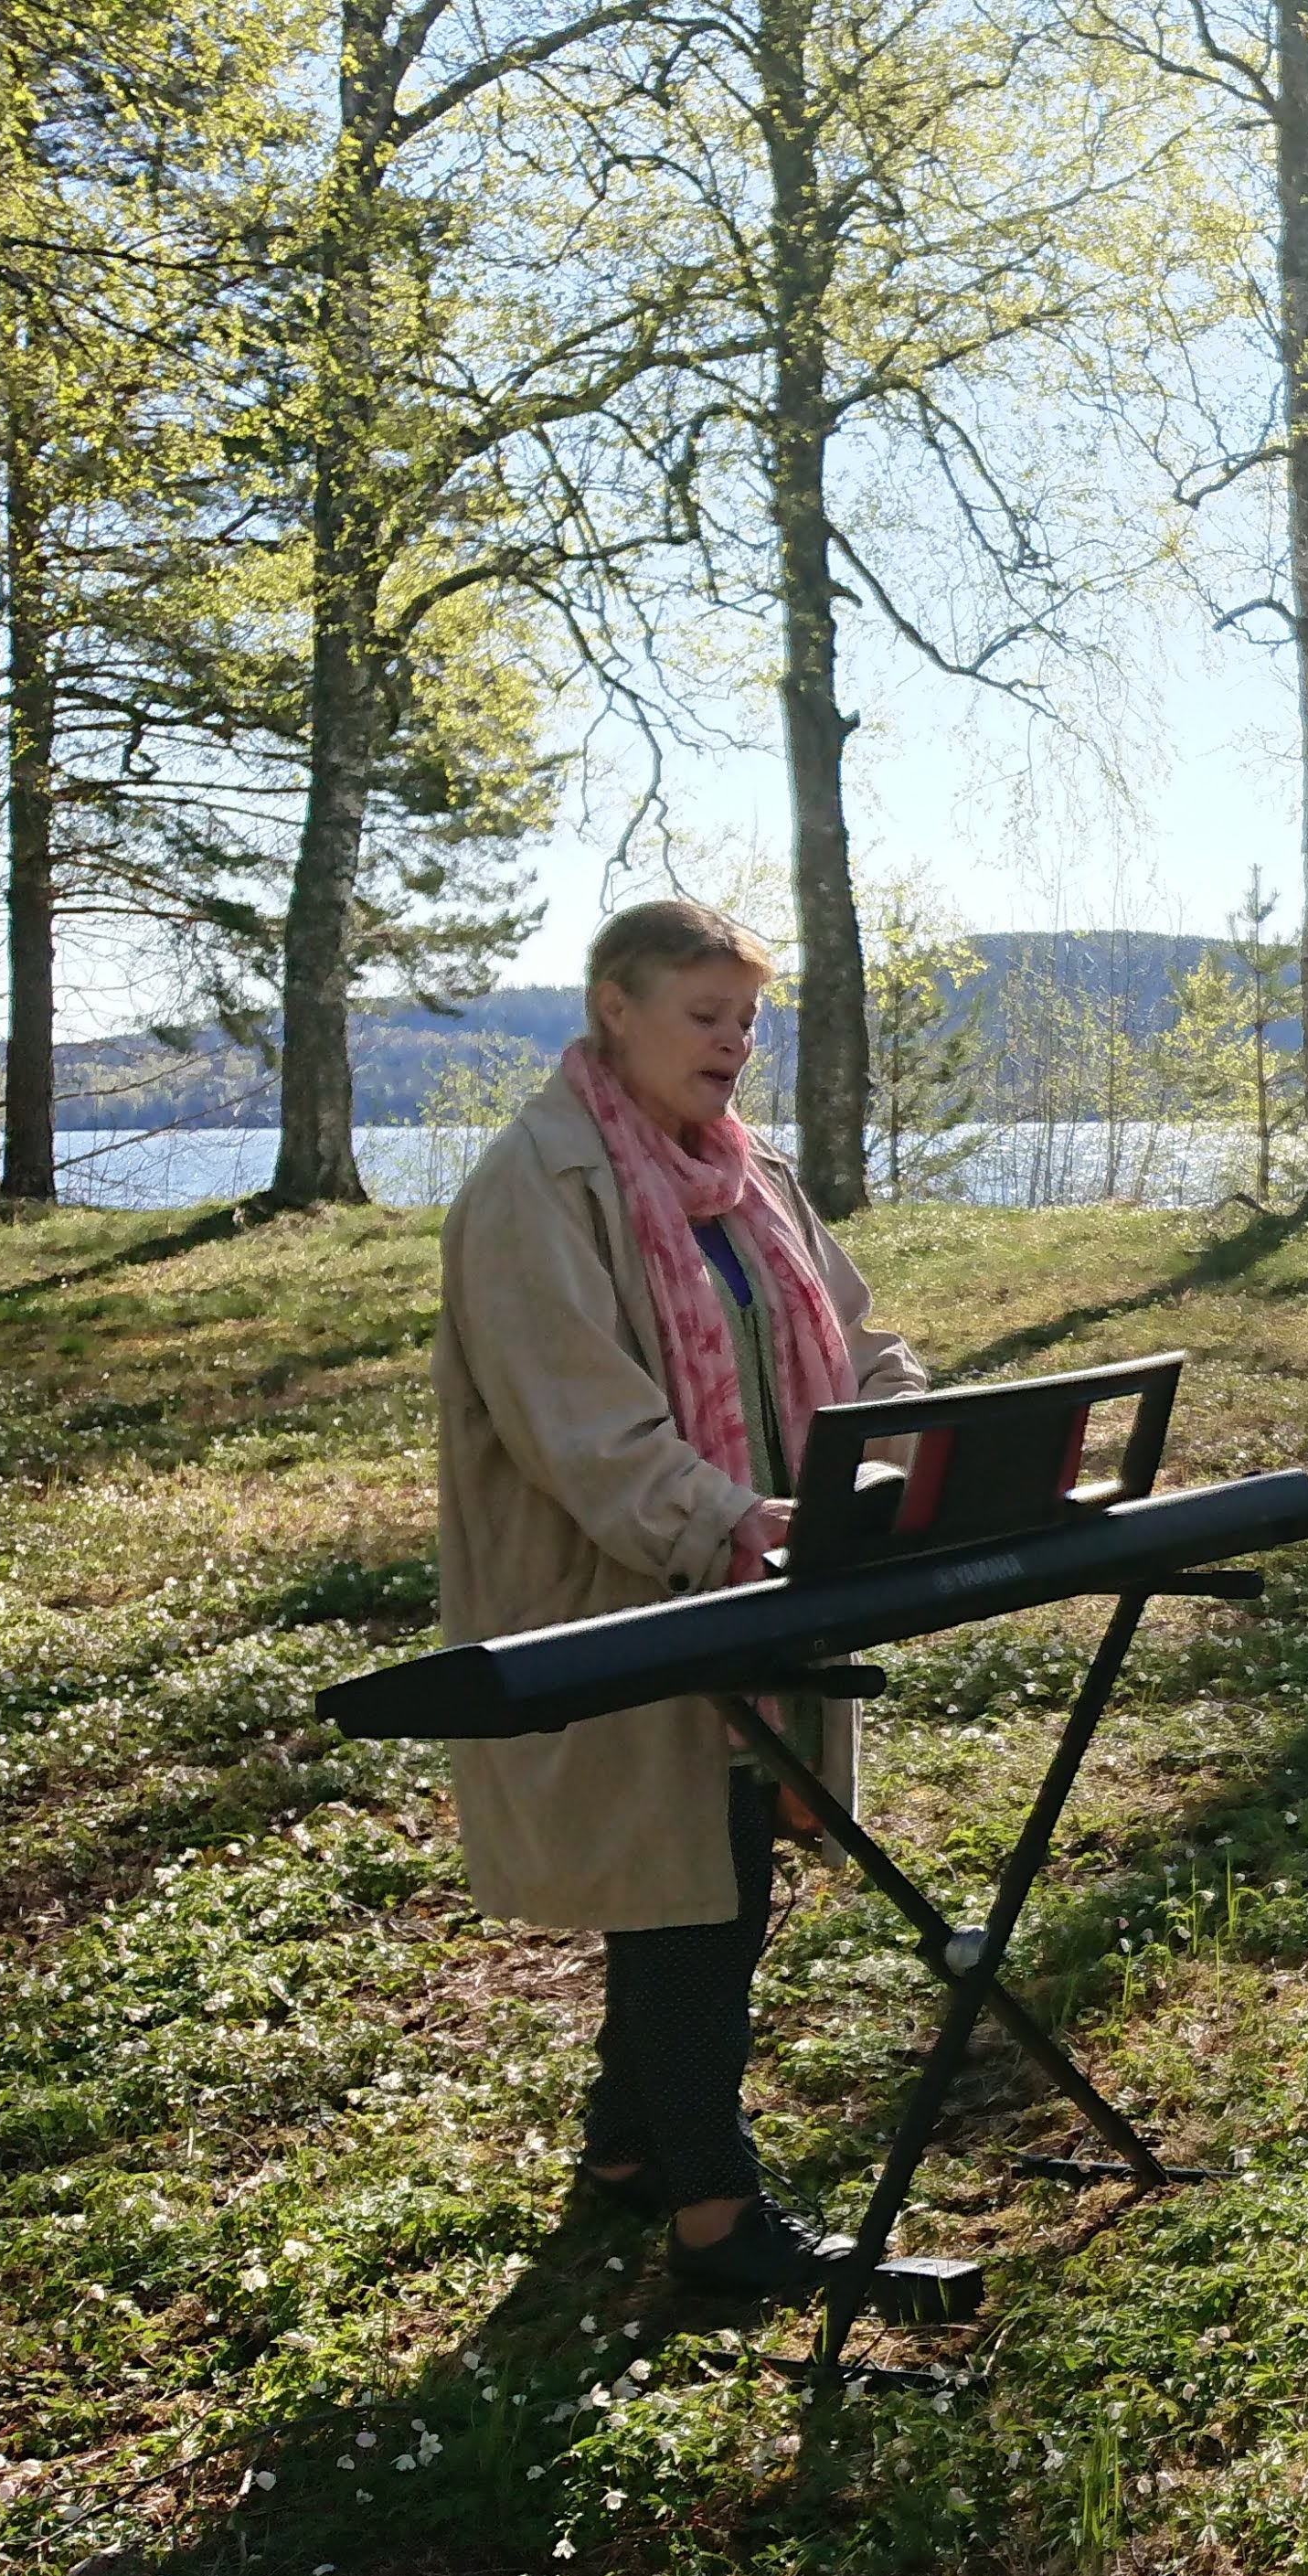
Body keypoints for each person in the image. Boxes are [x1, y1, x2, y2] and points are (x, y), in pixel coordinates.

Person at [435, 899, 929, 2298]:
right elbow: (582, 1428)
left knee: (714, 1863)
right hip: (617, 1588)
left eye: (746, 1019)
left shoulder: (751, 1169)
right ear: (615, 1009)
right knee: (690, 1886)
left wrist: (919, 1445)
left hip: (756, 1585)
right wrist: (728, 1523)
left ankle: (626, 2152)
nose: (732, 1043)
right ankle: (716, 2222)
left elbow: (858, 1343)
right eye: (704, 1016)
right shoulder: (536, 1185)